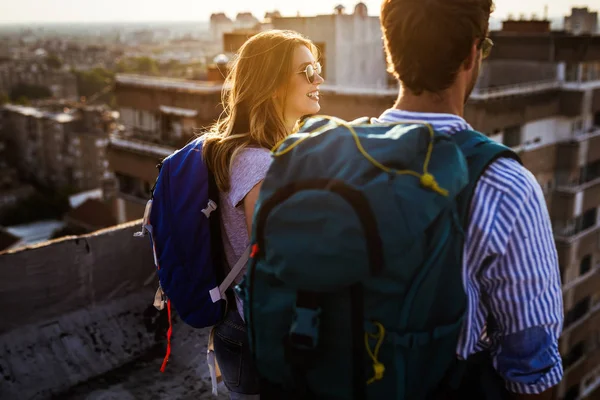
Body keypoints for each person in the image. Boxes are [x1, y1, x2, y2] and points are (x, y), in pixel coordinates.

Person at [375, 0, 563, 398]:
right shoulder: (504, 183)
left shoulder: (332, 156)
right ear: (472, 53)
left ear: (391, 52)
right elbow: (532, 368)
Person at [201, 29, 324, 399]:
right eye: (307, 71)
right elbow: (277, 266)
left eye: (317, 67)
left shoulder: (240, 152)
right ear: (272, 86)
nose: (319, 79)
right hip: (262, 338)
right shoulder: (261, 164)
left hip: (239, 325)